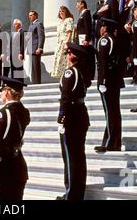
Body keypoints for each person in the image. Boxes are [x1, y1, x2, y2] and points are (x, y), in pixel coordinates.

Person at [0, 76, 30, 200]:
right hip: (19, 167)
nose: (1, 94)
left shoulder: (1, 114)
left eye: (2, 91)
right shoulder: (25, 112)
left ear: (6, 92)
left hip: (4, 169)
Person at [56, 43, 90, 201]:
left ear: (71, 56)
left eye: (67, 53)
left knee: (70, 158)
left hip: (71, 117)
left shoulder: (70, 72)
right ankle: (77, 192)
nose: (66, 56)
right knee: (78, 157)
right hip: (80, 115)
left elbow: (66, 97)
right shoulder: (80, 72)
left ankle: (71, 194)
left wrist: (61, 117)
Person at [95, 18, 124, 153]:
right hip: (115, 80)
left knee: (110, 112)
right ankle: (116, 141)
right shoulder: (115, 39)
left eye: (101, 26)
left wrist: (102, 81)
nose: (100, 29)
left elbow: (103, 62)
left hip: (108, 81)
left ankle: (110, 142)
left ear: (104, 28)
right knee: (114, 112)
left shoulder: (105, 40)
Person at [75, 0, 95, 87]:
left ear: (82, 4)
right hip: (81, 39)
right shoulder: (82, 14)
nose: (76, 6)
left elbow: (88, 27)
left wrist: (87, 39)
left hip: (84, 40)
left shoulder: (86, 13)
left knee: (86, 59)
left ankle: (88, 76)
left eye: (77, 4)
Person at [51, 6, 74, 79]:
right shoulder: (60, 22)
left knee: (65, 60)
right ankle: (62, 77)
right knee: (59, 60)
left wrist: (67, 43)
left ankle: (67, 76)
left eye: (63, 11)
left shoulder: (69, 20)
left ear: (66, 12)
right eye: (60, 11)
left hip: (65, 42)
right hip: (59, 43)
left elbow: (69, 32)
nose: (61, 13)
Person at [27, 10, 45, 84]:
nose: (29, 17)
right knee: (33, 67)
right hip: (31, 48)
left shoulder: (38, 24)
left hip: (36, 48)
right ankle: (34, 82)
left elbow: (41, 36)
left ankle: (37, 83)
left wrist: (40, 47)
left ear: (35, 16)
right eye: (29, 15)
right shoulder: (31, 25)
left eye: (31, 15)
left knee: (36, 66)